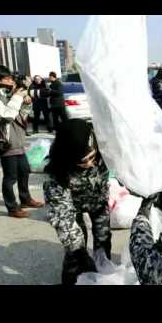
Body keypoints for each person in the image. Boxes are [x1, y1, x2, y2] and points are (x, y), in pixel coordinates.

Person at [44, 119, 111, 285]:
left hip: (98, 201)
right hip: (73, 206)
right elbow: (62, 215)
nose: (89, 164)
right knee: (75, 249)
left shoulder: (103, 144)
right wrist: (79, 251)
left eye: (92, 158)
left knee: (103, 240)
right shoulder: (57, 172)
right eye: (82, 162)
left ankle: (104, 276)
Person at [0, 65, 44, 218]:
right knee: (10, 177)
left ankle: (25, 199)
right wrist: (17, 96)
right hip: (6, 142)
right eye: (7, 78)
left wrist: (26, 103)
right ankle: (12, 208)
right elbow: (7, 115)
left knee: (24, 171)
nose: (11, 81)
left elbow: (20, 116)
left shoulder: (5, 93)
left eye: (11, 78)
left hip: (18, 139)